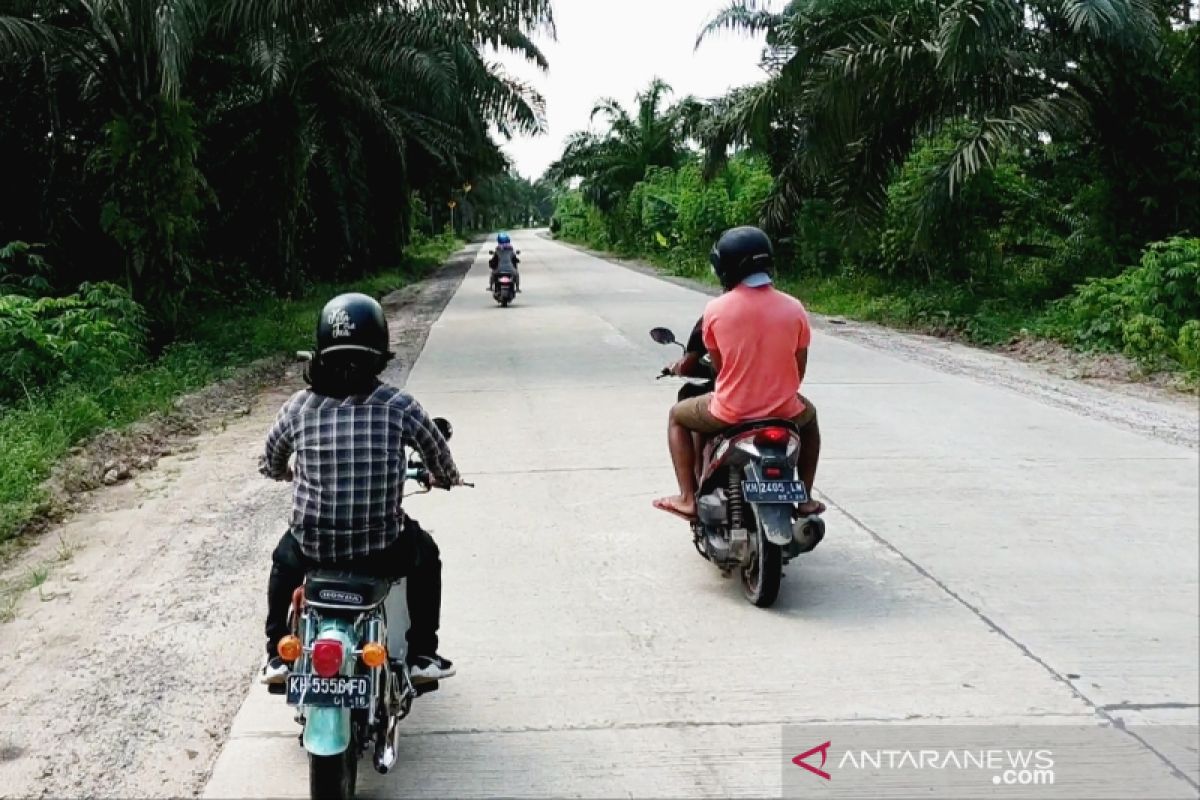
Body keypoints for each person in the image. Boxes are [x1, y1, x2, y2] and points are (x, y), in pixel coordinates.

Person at [258, 292, 461, 686]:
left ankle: (277, 654)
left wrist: (287, 471)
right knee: (428, 556)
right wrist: (444, 476)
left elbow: (270, 462)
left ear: (320, 353)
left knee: (284, 560)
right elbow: (439, 457)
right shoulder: (399, 405)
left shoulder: (298, 407)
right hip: (381, 548)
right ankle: (421, 654)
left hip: (313, 546)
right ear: (379, 353)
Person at [654, 226, 824, 520]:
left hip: (730, 412)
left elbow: (721, 370)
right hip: (785, 411)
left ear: (726, 267)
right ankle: (805, 498)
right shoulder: (795, 308)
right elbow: (799, 369)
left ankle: (687, 498)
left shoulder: (716, 310)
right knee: (810, 421)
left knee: (676, 416)